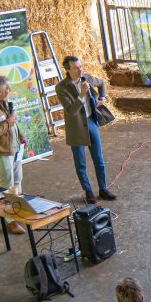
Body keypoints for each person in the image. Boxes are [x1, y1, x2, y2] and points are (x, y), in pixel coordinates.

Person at [54, 55, 117, 205]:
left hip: (91, 122)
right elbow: (71, 110)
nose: (80, 70)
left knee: (99, 160)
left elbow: (101, 82)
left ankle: (103, 189)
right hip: (76, 127)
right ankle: (88, 192)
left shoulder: (86, 77)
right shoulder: (61, 87)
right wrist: (82, 94)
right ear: (68, 70)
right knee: (80, 162)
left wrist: (101, 97)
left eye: (80, 66)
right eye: (76, 68)